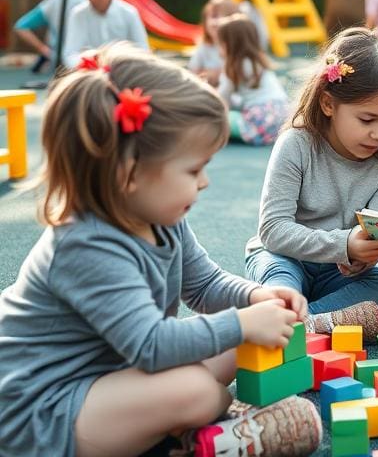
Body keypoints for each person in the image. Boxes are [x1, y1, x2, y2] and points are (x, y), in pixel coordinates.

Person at [0, 44, 324, 457]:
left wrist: (255, 297)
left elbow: (204, 284)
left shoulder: (163, 216)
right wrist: (243, 323)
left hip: (113, 375)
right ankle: (192, 436)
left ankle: (177, 426)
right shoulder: (85, 246)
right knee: (199, 394)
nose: (204, 182)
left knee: (241, 342)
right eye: (192, 170)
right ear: (129, 173)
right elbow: (151, 345)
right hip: (43, 409)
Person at [245, 27, 378, 333]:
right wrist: (344, 244)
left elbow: (376, 235)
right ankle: (299, 318)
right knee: (278, 284)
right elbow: (272, 230)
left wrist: (364, 257)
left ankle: (302, 323)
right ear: (328, 104)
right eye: (367, 120)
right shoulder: (296, 144)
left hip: (339, 274)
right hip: (285, 258)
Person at [61, 0, 149, 68]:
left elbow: (144, 52)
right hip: (88, 78)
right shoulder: (77, 14)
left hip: (125, 76)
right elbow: (70, 55)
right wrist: (87, 63)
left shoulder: (129, 14)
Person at [217, 14, 289, 146]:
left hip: (259, 121)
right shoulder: (259, 62)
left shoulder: (233, 67)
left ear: (229, 45)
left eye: (220, 43)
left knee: (221, 119)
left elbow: (221, 100)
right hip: (282, 119)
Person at [13, 0, 85, 73]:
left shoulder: (50, 2)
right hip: (80, 54)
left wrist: (44, 50)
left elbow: (20, 27)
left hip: (57, 59)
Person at [189, 0, 270, 86]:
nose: (217, 22)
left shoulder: (242, 47)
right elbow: (193, 73)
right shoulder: (204, 47)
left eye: (226, 17)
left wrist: (217, 74)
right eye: (213, 16)